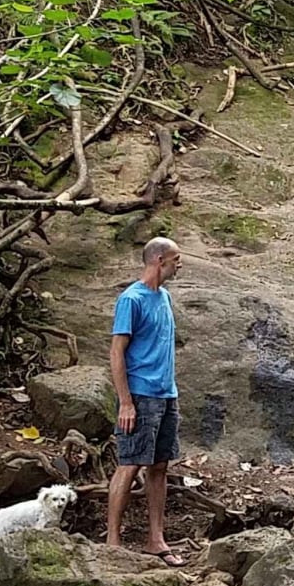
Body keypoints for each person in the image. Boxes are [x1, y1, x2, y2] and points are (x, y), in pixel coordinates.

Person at [106, 236, 185, 565]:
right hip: (140, 394)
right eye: (175, 259)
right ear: (158, 261)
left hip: (167, 394)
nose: (180, 264)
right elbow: (116, 352)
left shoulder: (164, 296)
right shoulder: (131, 300)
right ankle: (112, 541)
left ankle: (156, 539)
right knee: (130, 462)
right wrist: (126, 401)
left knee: (160, 465)